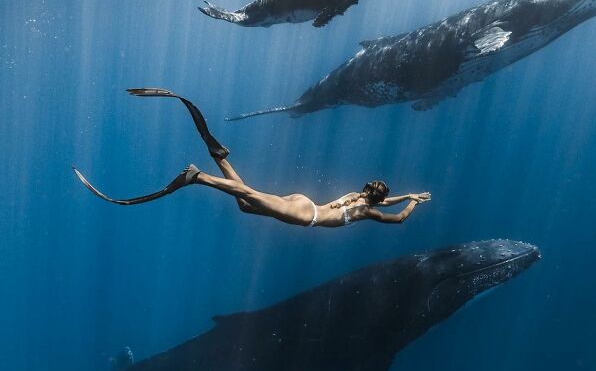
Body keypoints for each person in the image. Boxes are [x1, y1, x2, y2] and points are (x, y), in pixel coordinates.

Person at [73, 89, 431, 228]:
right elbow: (396, 218)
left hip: (305, 203)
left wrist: (410, 195)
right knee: (252, 197)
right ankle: (199, 178)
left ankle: (220, 158)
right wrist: (411, 206)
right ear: (376, 200)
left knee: (246, 204)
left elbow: (391, 201)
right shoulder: (367, 210)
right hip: (306, 215)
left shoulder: (360, 196)